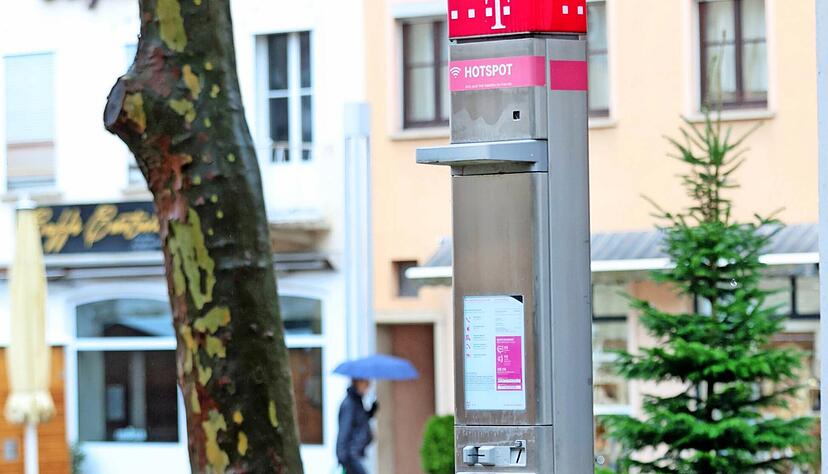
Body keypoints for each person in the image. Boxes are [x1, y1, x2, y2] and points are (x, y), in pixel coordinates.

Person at [336, 378, 378, 474]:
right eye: (366, 383)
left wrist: (371, 411)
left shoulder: (357, 402)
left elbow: (359, 421)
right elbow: (344, 431)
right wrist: (343, 459)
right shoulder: (349, 404)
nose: (368, 387)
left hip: (357, 454)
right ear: (358, 383)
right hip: (351, 457)